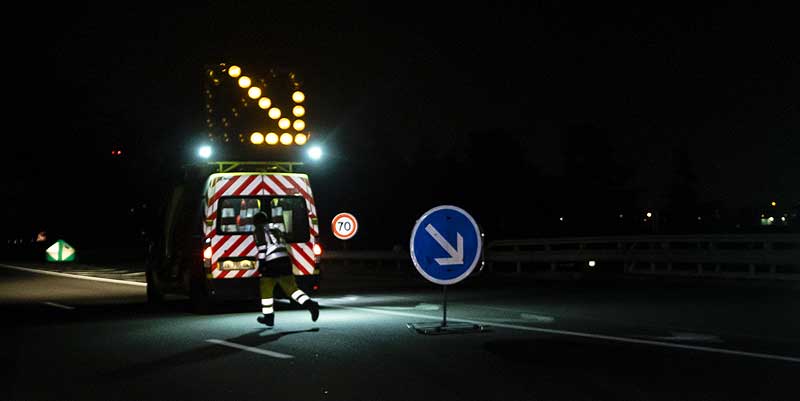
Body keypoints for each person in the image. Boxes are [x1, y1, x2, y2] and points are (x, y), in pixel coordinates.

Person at [252, 208, 319, 327]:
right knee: (292, 290)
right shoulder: (276, 228)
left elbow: (262, 248)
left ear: (257, 222)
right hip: (285, 261)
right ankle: (310, 304)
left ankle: (269, 318)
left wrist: (262, 264)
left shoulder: (259, 230)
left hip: (271, 263)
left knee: (266, 288)